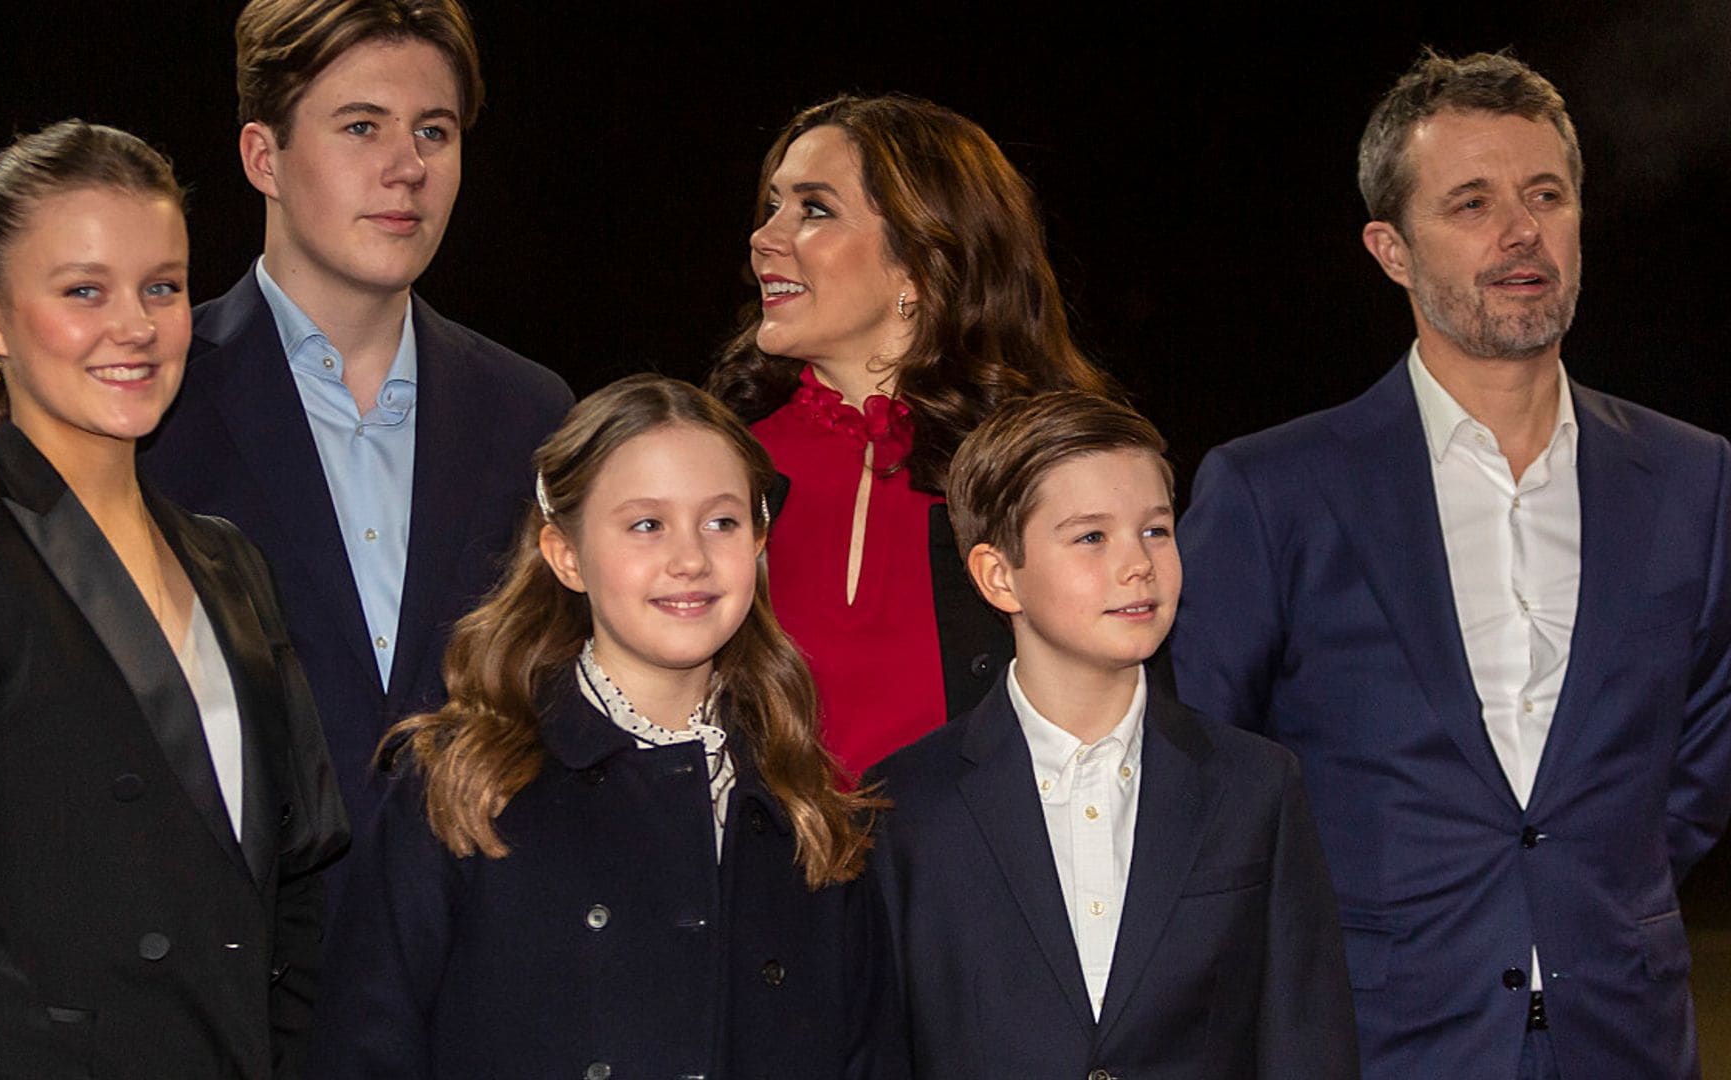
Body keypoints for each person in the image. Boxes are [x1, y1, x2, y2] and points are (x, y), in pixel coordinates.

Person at [1170, 50, 1731, 1079]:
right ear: (1391, 250)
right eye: (1471, 203)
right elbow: (1207, 763)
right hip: (1373, 1035)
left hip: (1626, 1029)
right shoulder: (1274, 490)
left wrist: (1597, 881)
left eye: (1546, 196)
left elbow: (1705, 746)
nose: (1522, 231)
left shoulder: (1695, 478)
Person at [0, 120, 349, 1078]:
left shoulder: (231, 562)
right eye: (83, 291)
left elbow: (299, 873)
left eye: (162, 286)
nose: (137, 326)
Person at [304, 374, 900, 1078]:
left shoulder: (806, 805)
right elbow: (362, 1050)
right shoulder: (464, 783)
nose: (690, 560)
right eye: (646, 524)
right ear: (565, 554)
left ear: (760, 540)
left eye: (722, 522)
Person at [140, 0, 573, 863]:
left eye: (434, 132)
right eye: (362, 126)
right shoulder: (157, 406)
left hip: (474, 960)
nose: (406, 167)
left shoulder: (533, 413)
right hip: (239, 963)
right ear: (264, 156)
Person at [866, 391, 1356, 1079]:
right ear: (999, 576)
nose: (1138, 564)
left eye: (1155, 530)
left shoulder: (1256, 784)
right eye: (1092, 536)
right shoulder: (907, 803)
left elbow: (1306, 1040)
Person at [707, 93, 1117, 776]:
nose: (764, 237)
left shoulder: (1045, 472)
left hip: (975, 877)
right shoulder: (715, 456)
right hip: (760, 875)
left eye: (814, 209)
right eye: (772, 206)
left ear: (920, 266)